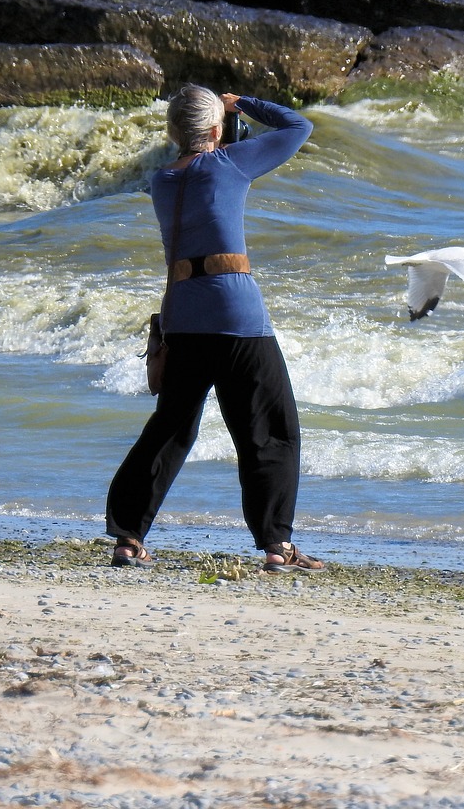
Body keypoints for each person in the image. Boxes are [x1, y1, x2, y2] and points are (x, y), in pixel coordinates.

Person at [106, 85, 324, 573]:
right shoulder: (229, 165)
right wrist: (242, 101)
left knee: (170, 429)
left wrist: (218, 122)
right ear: (214, 130)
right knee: (270, 432)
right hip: (235, 315)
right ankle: (275, 546)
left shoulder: (161, 180)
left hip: (183, 317)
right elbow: (298, 126)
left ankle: (127, 536)